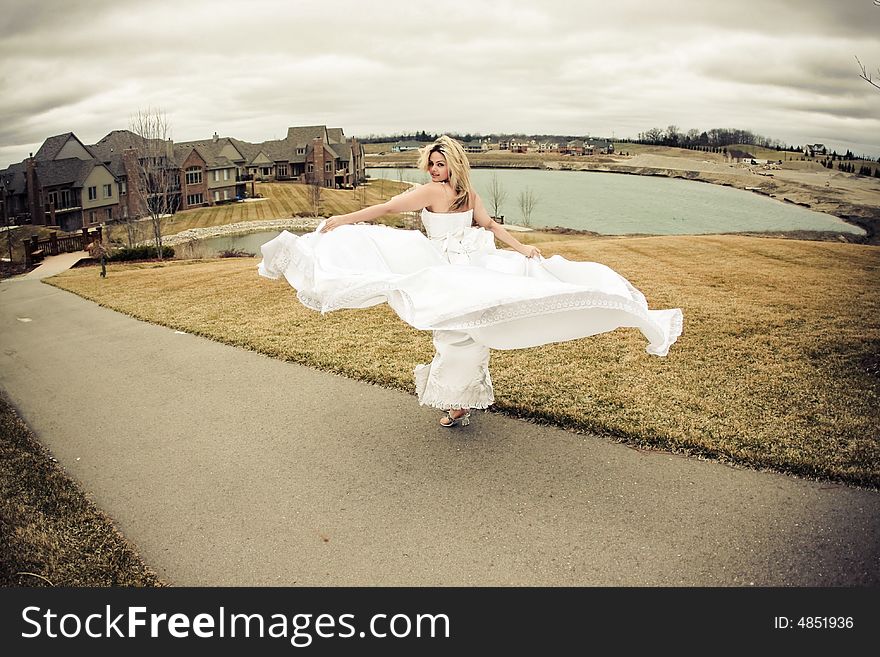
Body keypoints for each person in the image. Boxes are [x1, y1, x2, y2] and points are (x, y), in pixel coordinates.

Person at [258, 136, 682, 428]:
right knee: (457, 327)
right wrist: (341, 220)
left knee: (469, 325)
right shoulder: (436, 192)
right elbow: (384, 209)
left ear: (454, 165)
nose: (436, 169)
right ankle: (462, 399)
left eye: (442, 164)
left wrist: (522, 249)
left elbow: (492, 227)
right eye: (433, 164)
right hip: (444, 264)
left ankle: (459, 401)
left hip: (467, 264)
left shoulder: (464, 195)